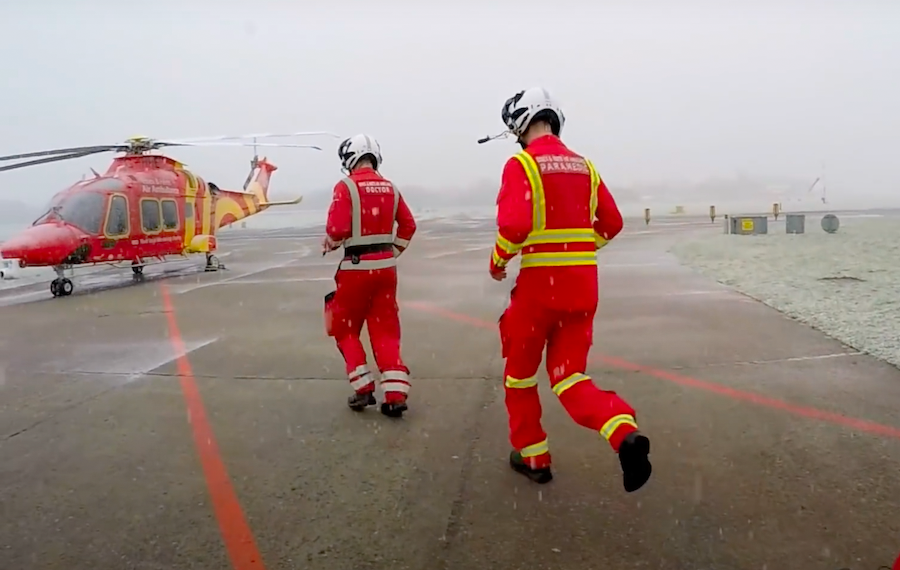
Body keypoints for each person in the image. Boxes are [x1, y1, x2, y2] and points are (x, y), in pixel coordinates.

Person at [488, 87, 652, 492]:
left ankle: (534, 455)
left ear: (521, 124)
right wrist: (578, 250)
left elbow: (513, 228)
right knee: (569, 377)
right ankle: (623, 434)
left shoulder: (521, 164)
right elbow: (612, 224)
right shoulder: (586, 167)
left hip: (538, 293)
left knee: (520, 378)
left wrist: (498, 262)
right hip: (583, 290)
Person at [322, 134, 417, 417]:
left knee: (344, 328)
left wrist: (331, 240)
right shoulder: (392, 188)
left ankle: (363, 387)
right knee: (385, 330)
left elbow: (337, 229)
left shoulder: (345, 186)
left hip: (355, 269)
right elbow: (409, 226)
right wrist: (391, 252)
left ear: (349, 159)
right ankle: (396, 394)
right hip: (386, 269)